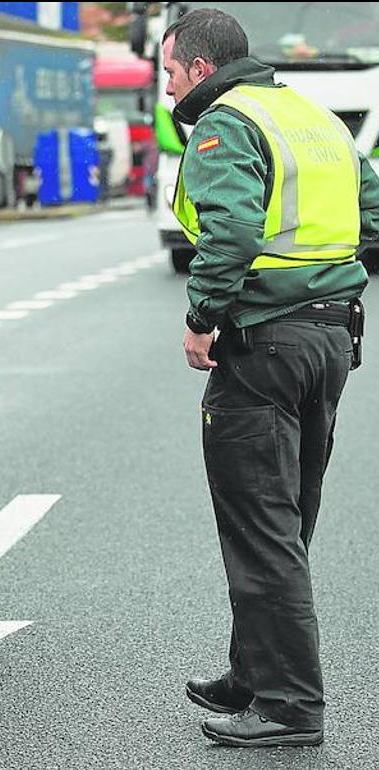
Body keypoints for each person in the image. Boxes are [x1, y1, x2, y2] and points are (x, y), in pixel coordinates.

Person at [163, 7, 379, 748]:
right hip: (329, 338)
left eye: (168, 71)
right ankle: (253, 673)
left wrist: (202, 318)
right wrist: (331, 283)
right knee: (287, 519)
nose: (166, 87)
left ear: (199, 68)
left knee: (262, 527)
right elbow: (373, 217)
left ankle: (289, 707)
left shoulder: (226, 123)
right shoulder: (315, 119)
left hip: (266, 344)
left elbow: (229, 232)